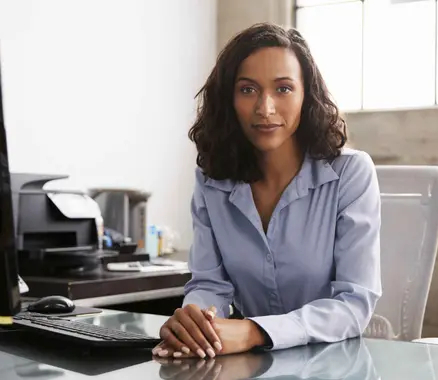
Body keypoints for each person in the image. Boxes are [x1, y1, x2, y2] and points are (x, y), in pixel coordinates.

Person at [153, 22, 381, 360]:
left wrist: (254, 331)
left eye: (284, 89)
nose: (265, 108)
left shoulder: (350, 173)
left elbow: (353, 304)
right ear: (229, 99)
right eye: (247, 90)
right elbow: (209, 285)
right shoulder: (211, 180)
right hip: (255, 364)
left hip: (337, 363)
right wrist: (198, 323)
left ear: (307, 95)